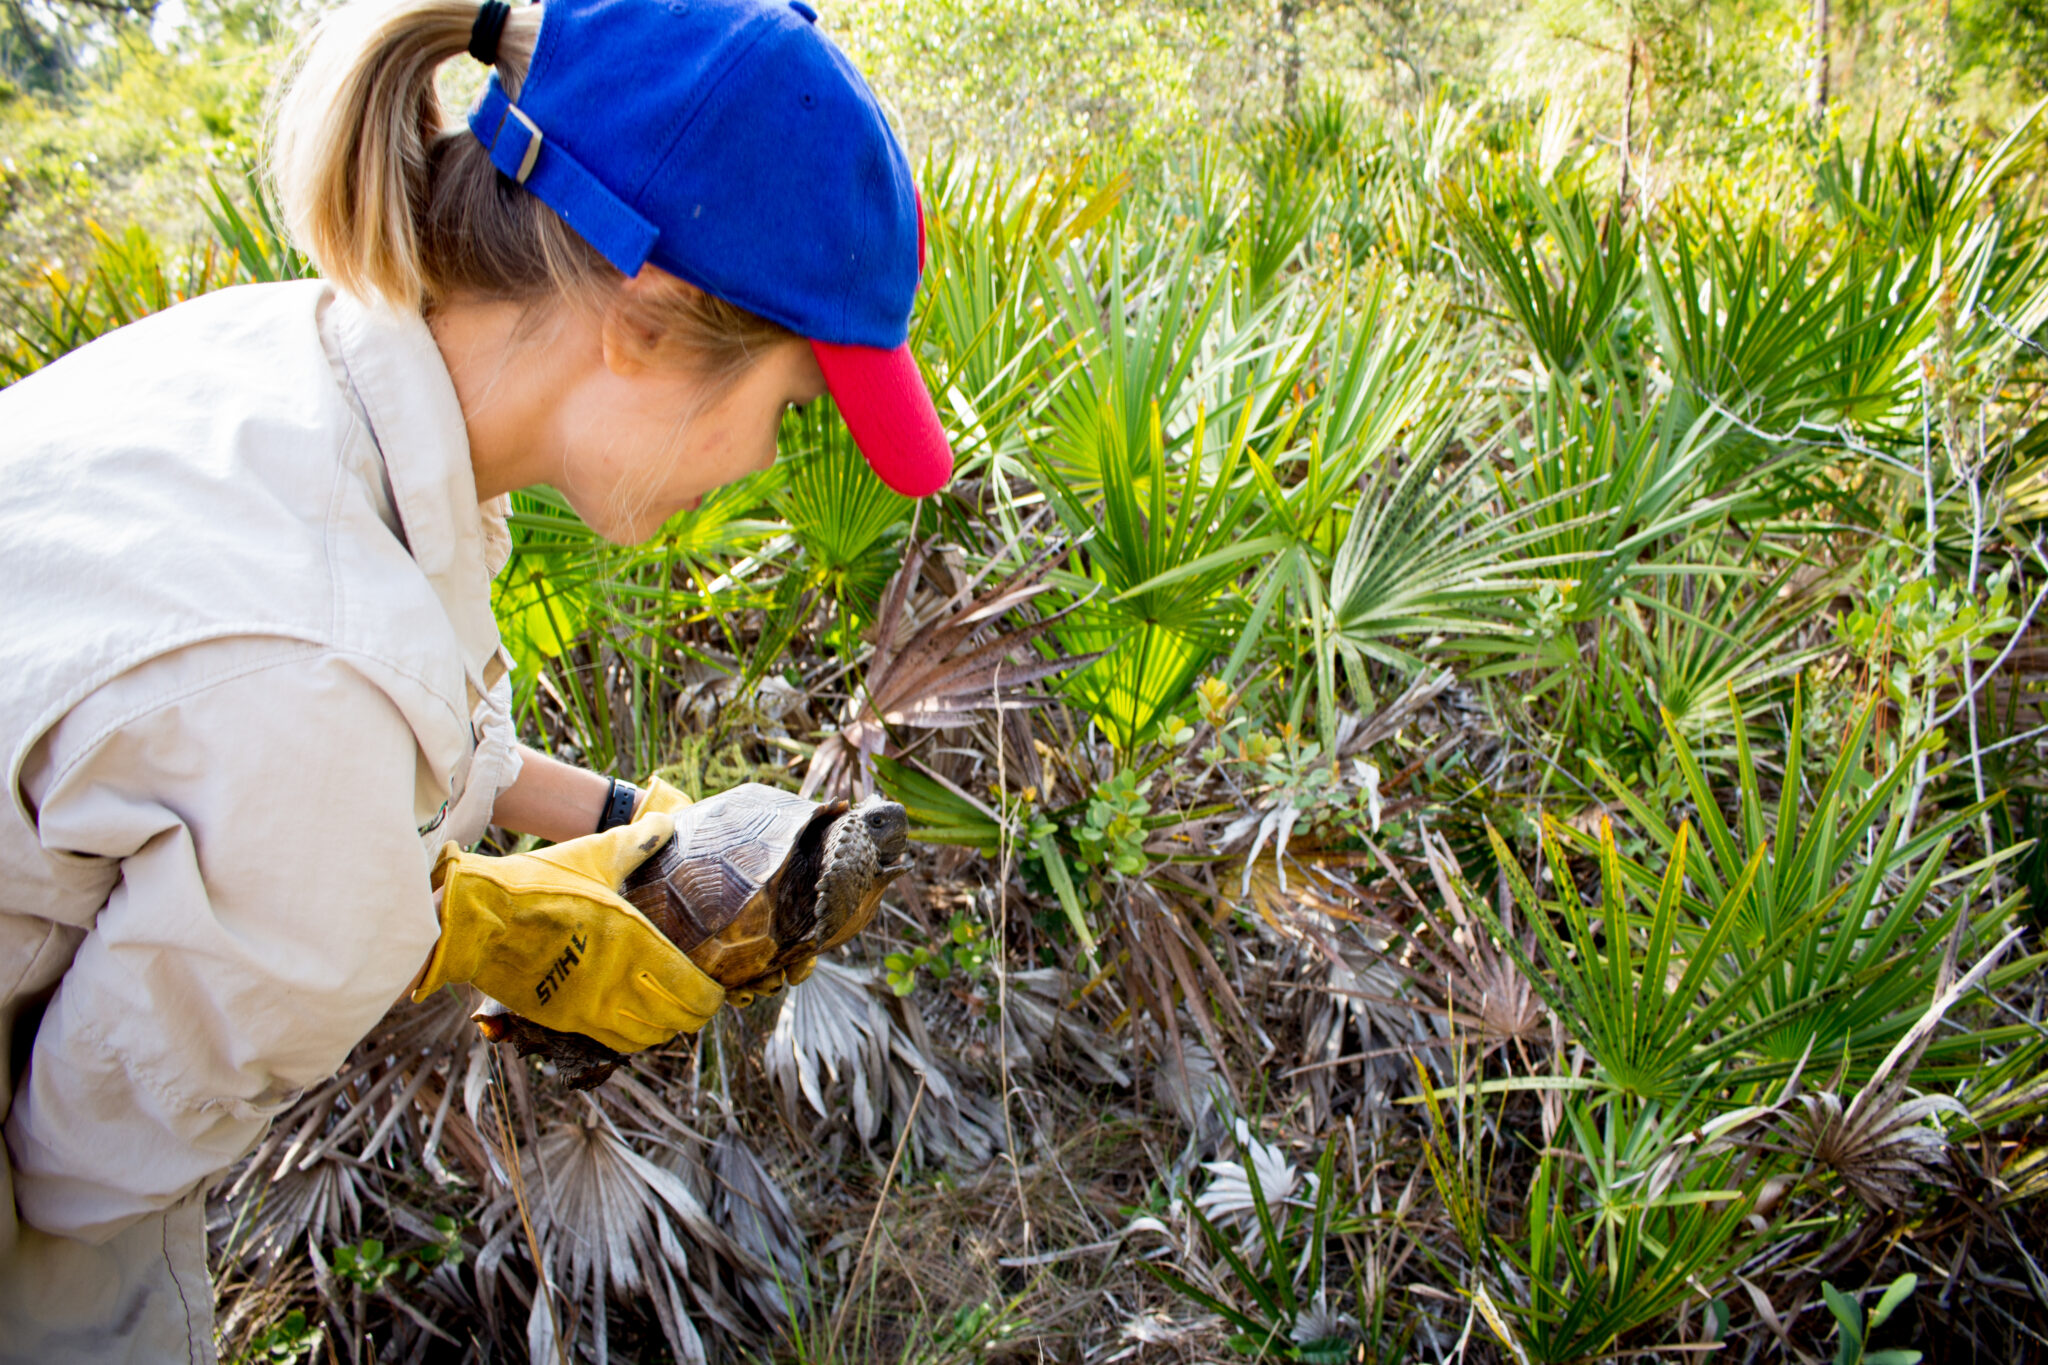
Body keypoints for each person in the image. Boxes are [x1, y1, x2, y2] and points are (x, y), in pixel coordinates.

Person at [0, 0, 951, 1355]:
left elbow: (358, 732)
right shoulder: (318, 677)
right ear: (647, 320)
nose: (762, 463)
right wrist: (445, 923)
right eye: (792, 408)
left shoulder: (290, 367)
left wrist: (627, 819)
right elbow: (81, 1175)